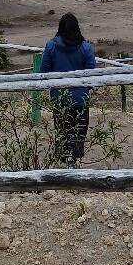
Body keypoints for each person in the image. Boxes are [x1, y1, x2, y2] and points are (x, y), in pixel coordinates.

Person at [40, 12, 97, 166]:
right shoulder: (86, 47)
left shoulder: (51, 46)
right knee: (79, 129)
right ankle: (75, 158)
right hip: (80, 98)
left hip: (60, 97)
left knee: (63, 129)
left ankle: (64, 159)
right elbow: (93, 73)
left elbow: (44, 72)